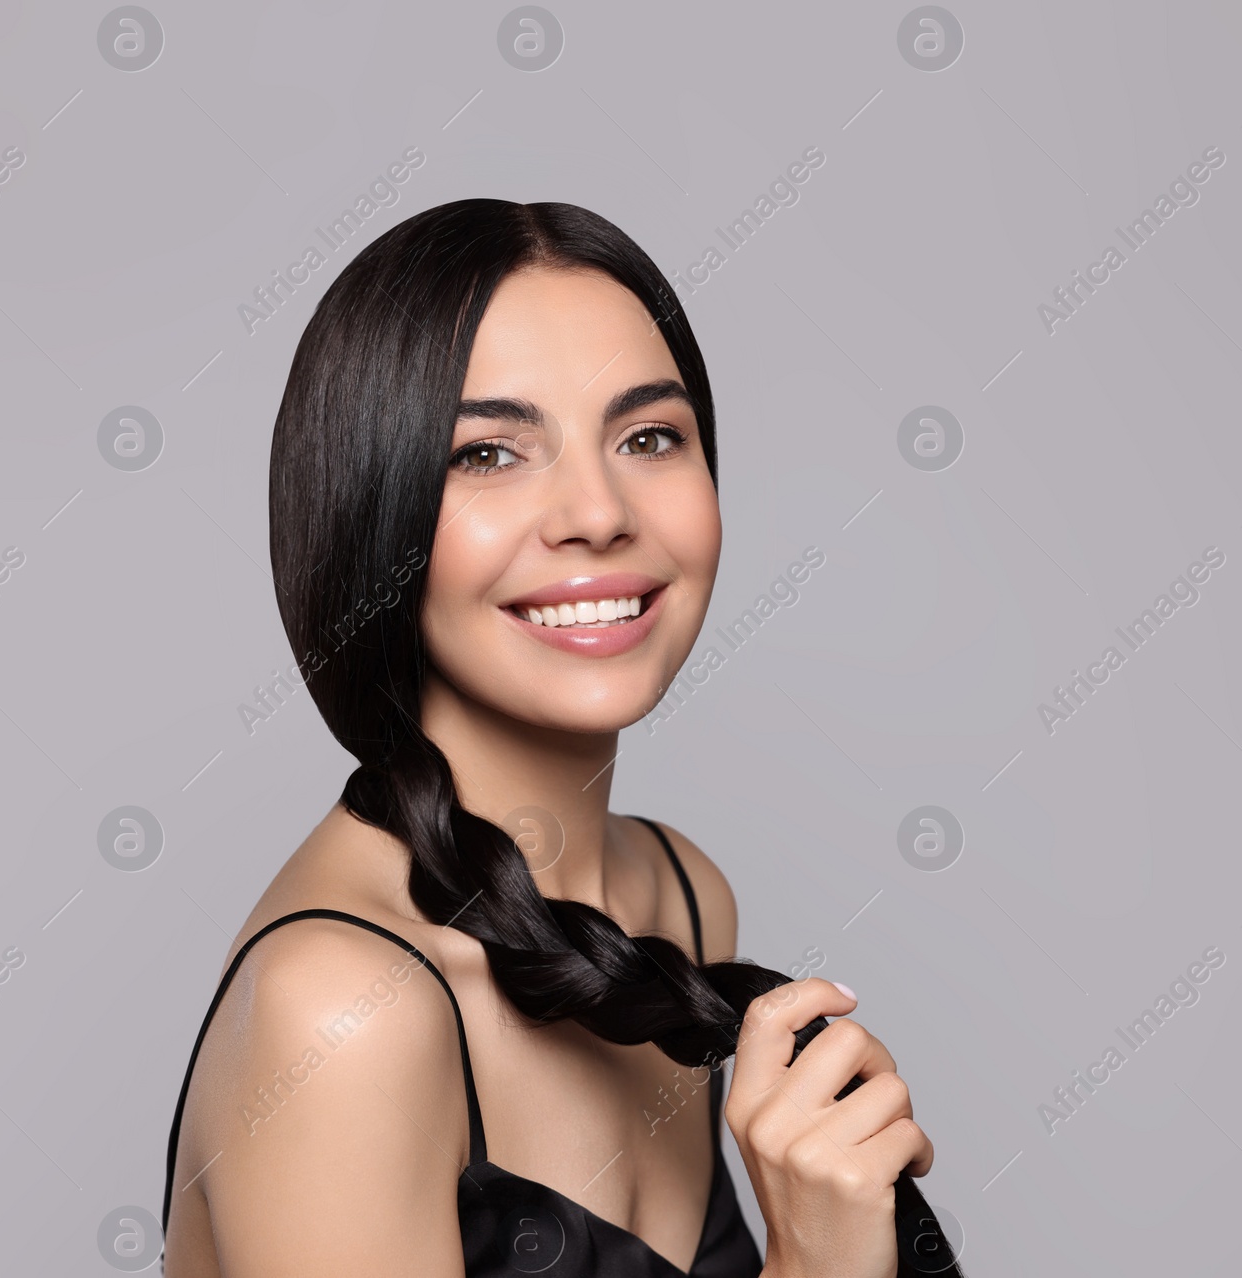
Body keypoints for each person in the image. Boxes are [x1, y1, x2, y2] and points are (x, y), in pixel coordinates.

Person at [159, 199, 950, 1277]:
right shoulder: (341, 1017)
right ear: (368, 516)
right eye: (489, 453)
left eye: (649, 436)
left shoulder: (681, 893)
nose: (597, 509)